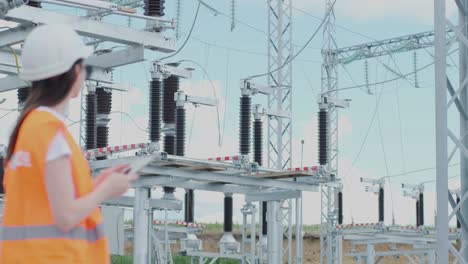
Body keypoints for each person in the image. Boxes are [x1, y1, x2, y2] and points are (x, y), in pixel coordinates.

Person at [0, 24, 138, 263]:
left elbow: (47, 202)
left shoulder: (27, 128)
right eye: (85, 67)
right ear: (73, 71)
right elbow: (65, 217)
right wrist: (107, 190)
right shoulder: (50, 132)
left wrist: (97, 185)